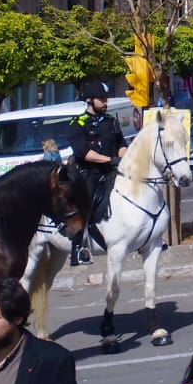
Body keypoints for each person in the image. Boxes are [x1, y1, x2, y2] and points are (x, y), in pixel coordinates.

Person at [66, 83, 127, 266]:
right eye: (102, 99)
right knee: (85, 205)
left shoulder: (110, 121)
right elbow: (84, 153)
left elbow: (121, 143)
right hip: (90, 174)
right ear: (89, 100)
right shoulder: (77, 124)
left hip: (113, 171)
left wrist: (123, 156)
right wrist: (110, 159)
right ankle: (78, 249)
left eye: (106, 98)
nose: (105, 102)